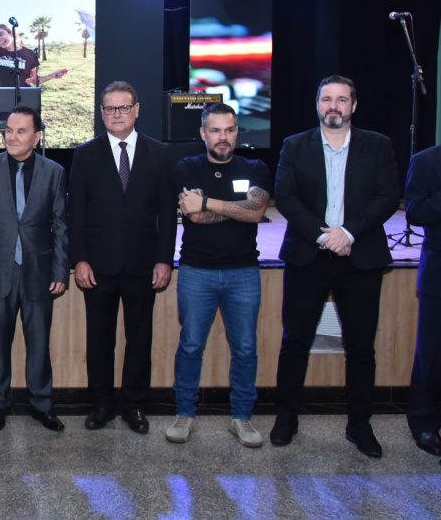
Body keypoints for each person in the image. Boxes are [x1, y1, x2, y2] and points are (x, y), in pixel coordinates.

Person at [272, 75, 400, 458]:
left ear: (353, 106)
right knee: (295, 342)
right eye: (327, 99)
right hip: (308, 257)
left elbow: (388, 197)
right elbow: (286, 197)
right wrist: (323, 235)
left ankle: (359, 425)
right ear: (317, 105)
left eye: (342, 100)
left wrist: (348, 232)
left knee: (360, 347)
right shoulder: (295, 145)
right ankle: (286, 418)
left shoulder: (377, 145)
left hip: (359, 258)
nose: (334, 106)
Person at [69, 81, 176, 435]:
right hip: (98, 265)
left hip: (144, 264)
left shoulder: (160, 153)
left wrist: (164, 259)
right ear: (102, 113)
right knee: (100, 338)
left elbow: (166, 212)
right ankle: (101, 403)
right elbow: (76, 212)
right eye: (110, 108)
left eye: (124, 107)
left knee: (139, 338)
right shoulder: (85, 154)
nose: (117, 114)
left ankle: (134, 404)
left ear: (136, 110)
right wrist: (79, 259)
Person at [167, 102, 271, 447]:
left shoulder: (255, 167)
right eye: (215, 130)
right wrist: (238, 208)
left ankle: (242, 418)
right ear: (203, 133)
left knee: (245, 349)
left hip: (244, 272)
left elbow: (256, 212)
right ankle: (184, 414)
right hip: (197, 271)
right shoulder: (187, 167)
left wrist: (208, 202)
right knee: (190, 345)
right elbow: (194, 216)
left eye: (228, 130)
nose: (222, 137)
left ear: (237, 132)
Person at [0, 105, 69, 432]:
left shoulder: (54, 172)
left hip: (39, 273)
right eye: (8, 130)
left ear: (36, 137)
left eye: (21, 131)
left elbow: (61, 226)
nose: (11, 137)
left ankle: (42, 405)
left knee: (39, 344)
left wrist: (60, 271)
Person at [404, 146, 441, 459]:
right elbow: (415, 212)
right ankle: (424, 422)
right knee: (431, 353)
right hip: (439, 275)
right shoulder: (427, 161)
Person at [0, 24, 67, 88]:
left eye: (1, 34)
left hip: (25, 96)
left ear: (11, 34)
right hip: (4, 96)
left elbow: (35, 81)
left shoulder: (29, 54)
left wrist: (53, 75)